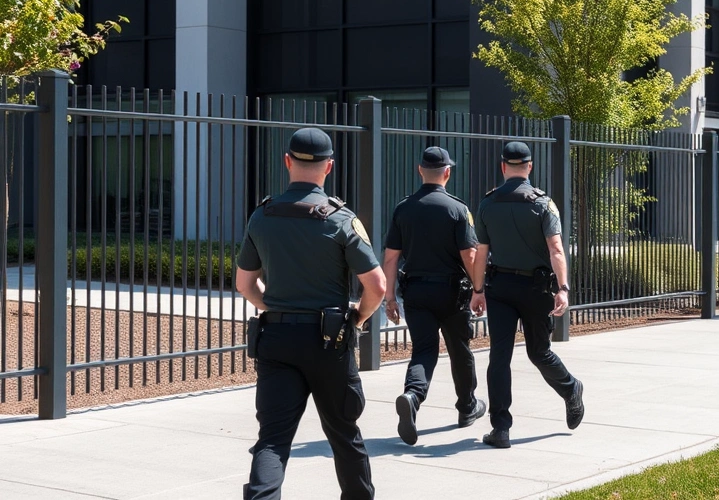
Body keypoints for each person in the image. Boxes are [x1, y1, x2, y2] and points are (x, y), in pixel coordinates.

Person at [235, 127, 385, 500]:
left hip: (277, 340)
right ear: (329, 167)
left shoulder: (262, 216)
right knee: (343, 433)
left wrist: (277, 308)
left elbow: (245, 285)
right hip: (328, 342)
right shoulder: (340, 219)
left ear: (287, 161)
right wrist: (359, 318)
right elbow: (377, 286)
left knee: (272, 439)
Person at [469, 141, 584, 449]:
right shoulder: (543, 204)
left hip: (500, 288)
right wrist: (563, 288)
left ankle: (501, 428)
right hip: (537, 288)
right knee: (539, 352)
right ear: (529, 167)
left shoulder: (487, 204)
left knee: (499, 357)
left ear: (503, 167)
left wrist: (477, 291)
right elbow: (556, 249)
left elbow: (481, 253)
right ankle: (570, 389)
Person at [382, 146, 487, 446]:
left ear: (419, 171)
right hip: (452, 293)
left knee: (424, 351)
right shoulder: (457, 209)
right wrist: (478, 290)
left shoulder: (403, 208)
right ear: (448, 172)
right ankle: (467, 407)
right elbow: (469, 254)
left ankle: (412, 397)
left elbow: (390, 258)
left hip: (416, 292)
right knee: (459, 349)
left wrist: (389, 299)